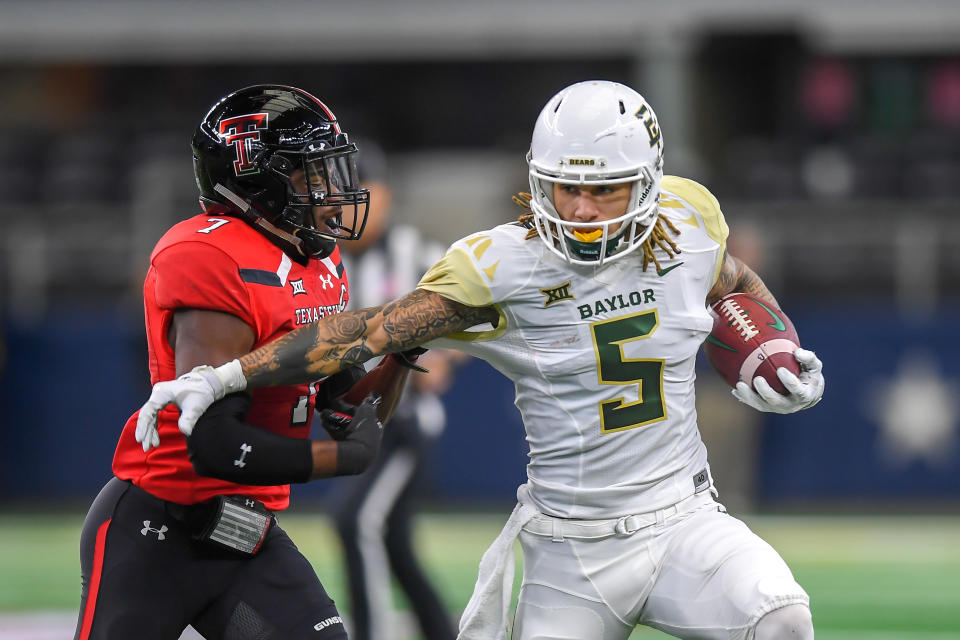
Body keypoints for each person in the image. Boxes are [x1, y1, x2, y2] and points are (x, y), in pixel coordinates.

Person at [137, 80, 825, 640]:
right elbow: (364, 332)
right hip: (570, 551)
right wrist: (227, 375)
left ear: (648, 183)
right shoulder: (500, 264)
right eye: (563, 189)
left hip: (686, 518)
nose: (581, 210)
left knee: (783, 619)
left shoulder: (690, 217)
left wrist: (777, 342)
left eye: (604, 190)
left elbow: (731, 282)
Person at [74, 84, 422, 640]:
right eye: (312, 176)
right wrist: (337, 458)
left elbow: (344, 403)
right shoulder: (210, 254)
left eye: (331, 172)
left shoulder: (318, 259)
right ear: (256, 181)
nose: (333, 193)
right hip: (158, 528)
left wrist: (402, 352)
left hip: (246, 533)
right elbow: (211, 440)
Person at [329, 140, 460, 640]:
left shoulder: (419, 254)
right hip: (352, 419)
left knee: (355, 521)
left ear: (382, 194)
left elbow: (473, 320)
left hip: (404, 421)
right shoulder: (323, 260)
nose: (347, 203)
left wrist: (444, 356)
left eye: (359, 190)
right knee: (395, 544)